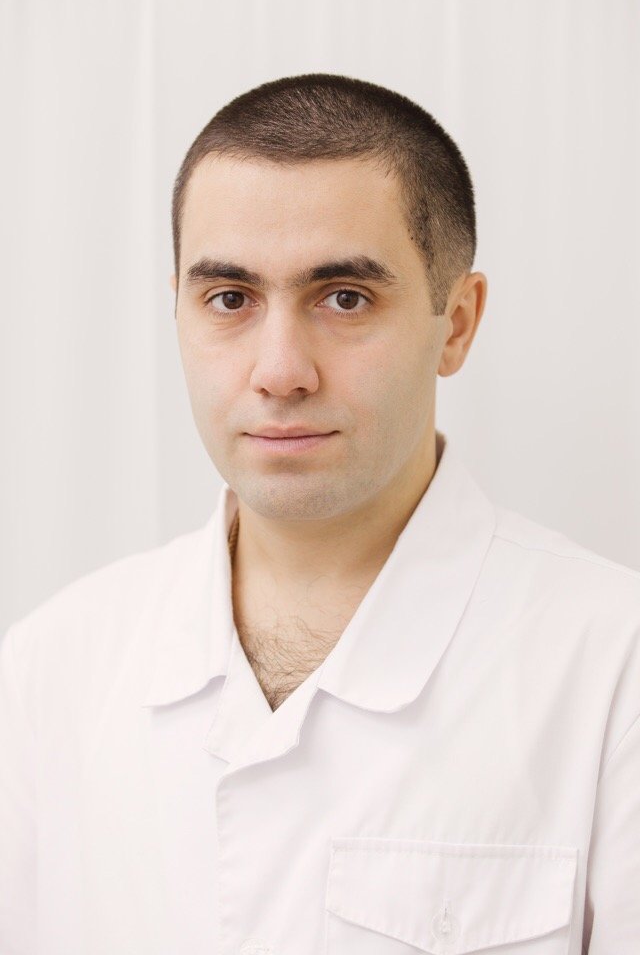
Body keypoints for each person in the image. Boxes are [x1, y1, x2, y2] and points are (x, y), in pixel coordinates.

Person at [1, 73, 638, 955]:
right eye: (230, 299)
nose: (280, 371)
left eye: (344, 298)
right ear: (178, 310)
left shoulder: (613, 668)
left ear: (456, 323)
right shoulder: (48, 671)